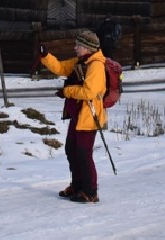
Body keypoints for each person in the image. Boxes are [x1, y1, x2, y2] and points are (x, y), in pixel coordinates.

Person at [39, 29, 107, 204]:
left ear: (87, 48)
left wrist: (66, 91)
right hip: (77, 115)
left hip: (89, 116)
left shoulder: (96, 65)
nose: (75, 48)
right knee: (71, 150)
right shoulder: (81, 61)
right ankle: (77, 187)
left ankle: (90, 192)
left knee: (83, 154)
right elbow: (61, 68)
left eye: (78, 45)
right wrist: (45, 56)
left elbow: (89, 92)